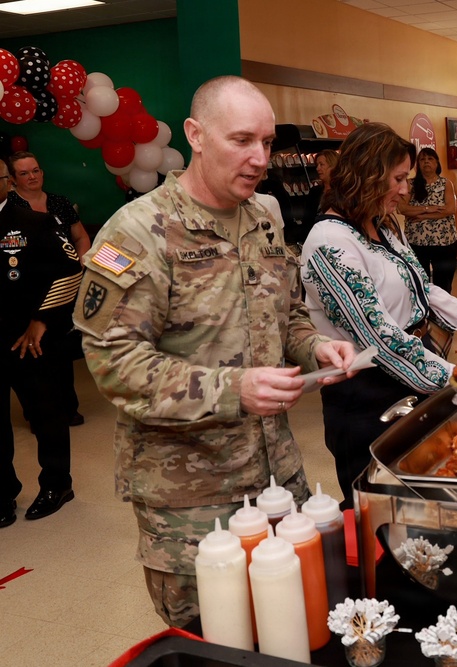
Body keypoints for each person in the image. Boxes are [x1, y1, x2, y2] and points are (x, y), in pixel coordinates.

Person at [72, 75, 358, 627]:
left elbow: (287, 314)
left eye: (268, 143)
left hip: (277, 479)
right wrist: (234, 388)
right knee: (213, 643)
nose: (259, 158)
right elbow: (113, 362)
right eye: (242, 140)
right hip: (192, 501)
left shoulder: (265, 219)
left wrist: (316, 347)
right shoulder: (137, 233)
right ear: (195, 135)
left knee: (290, 628)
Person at [299, 122, 457, 507]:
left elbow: (422, 289)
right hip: (365, 393)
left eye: (406, 178)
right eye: (397, 178)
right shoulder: (330, 242)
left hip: (410, 370)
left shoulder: (381, 225)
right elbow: (379, 337)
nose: (405, 189)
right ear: (367, 175)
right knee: (379, 502)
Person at [0, 159, 83, 528]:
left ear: (6, 183)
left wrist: (42, 319)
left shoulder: (32, 222)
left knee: (46, 413)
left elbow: (71, 270)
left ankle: (56, 484)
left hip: (26, 339)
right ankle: (2, 494)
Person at [9, 151, 89, 427]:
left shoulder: (59, 202)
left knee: (61, 351)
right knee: (32, 353)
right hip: (28, 292)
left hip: (64, 289)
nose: (32, 176)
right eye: (24, 173)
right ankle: (37, 413)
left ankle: (69, 408)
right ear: (12, 180)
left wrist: (78, 266)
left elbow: (80, 237)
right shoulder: (11, 209)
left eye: (36, 170)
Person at [397, 147, 457, 292]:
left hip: (444, 241)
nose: (426, 162)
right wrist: (428, 208)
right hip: (417, 241)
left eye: (430, 159)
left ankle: (442, 311)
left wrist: (419, 216)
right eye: (422, 159)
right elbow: (402, 209)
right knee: (420, 280)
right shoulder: (410, 184)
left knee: (444, 282)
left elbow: (450, 209)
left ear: (437, 163)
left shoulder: (446, 184)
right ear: (417, 164)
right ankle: (425, 311)